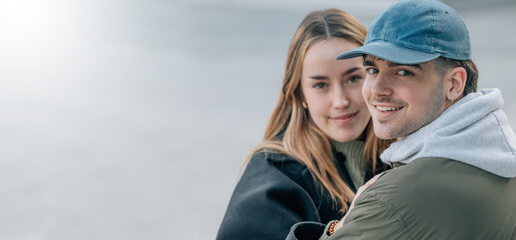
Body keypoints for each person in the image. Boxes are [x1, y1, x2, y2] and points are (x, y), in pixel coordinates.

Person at [286, 0, 516, 239]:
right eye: (372, 70)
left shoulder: (391, 200)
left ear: (454, 84)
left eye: (403, 72)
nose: (377, 90)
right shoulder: (501, 155)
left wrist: (338, 227)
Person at [216, 9, 393, 240]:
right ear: (299, 93)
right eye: (320, 85)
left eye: (353, 78)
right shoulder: (273, 180)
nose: (340, 101)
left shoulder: (405, 157)